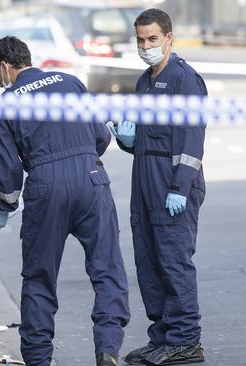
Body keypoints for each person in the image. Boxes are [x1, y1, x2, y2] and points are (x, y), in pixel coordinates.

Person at [0, 36, 130, 366]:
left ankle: (38, 359)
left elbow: (8, 168)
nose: (0, 82)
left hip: (45, 185)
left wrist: (5, 205)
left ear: (5, 67)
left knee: (39, 277)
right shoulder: (70, 82)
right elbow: (101, 135)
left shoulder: (8, 101)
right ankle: (107, 348)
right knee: (107, 269)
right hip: (91, 178)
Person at [106, 9, 207, 366]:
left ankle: (185, 339)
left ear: (168, 38)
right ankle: (162, 336)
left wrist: (180, 186)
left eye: (152, 39)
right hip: (144, 178)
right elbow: (144, 137)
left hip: (172, 182)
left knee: (173, 260)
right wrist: (126, 140)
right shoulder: (144, 82)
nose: (146, 46)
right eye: (140, 40)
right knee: (149, 261)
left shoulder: (185, 80)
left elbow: (192, 140)